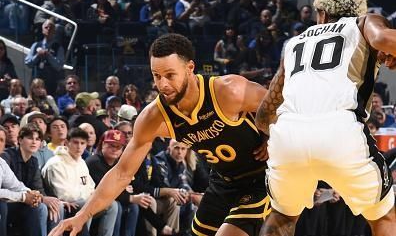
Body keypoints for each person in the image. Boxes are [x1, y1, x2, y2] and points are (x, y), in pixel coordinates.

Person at [49, 33, 270, 236]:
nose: (163, 84)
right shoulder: (154, 117)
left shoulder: (228, 91)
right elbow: (121, 173)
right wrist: (82, 215)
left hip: (263, 176)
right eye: (157, 76)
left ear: (190, 68)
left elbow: (283, 108)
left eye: (170, 75)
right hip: (223, 182)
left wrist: (270, 137)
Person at [255, 0, 396, 236]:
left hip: (288, 137)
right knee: (383, 215)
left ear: (321, 13)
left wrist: (267, 137)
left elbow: (265, 114)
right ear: (357, 12)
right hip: (340, 132)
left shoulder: (295, 43)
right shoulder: (362, 23)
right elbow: (384, 39)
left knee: (282, 216)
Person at [25, 19, 65, 95]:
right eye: (46, 27)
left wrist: (48, 55)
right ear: (42, 29)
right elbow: (28, 63)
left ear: (54, 31)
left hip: (51, 83)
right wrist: (37, 55)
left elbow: (59, 66)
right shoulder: (36, 45)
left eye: (51, 28)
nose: (48, 29)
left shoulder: (58, 47)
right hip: (36, 82)